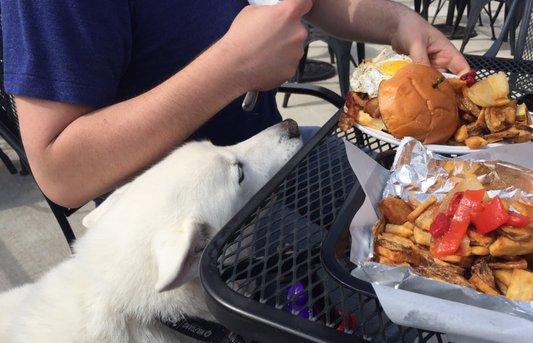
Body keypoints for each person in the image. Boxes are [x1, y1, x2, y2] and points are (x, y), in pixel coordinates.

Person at [1, 0, 470, 209]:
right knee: (418, 313)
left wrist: (398, 22)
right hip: (190, 217)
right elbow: (61, 172)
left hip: (271, 151)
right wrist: (232, 67)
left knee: (449, 199)